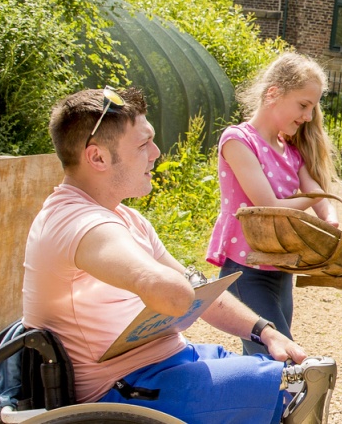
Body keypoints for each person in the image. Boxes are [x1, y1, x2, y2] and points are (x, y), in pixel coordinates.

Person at [21, 88, 309, 422]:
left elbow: (197, 293)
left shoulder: (126, 218)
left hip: (168, 366)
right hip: (124, 389)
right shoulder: (79, 222)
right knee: (294, 386)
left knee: (286, 370)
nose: (156, 153)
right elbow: (171, 293)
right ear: (97, 158)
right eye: (143, 144)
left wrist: (265, 331)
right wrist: (173, 287)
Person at [206, 52, 338, 357]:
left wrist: (329, 217)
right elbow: (268, 206)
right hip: (245, 269)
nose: (307, 116)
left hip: (280, 268)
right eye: (303, 105)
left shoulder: (290, 150)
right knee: (280, 360)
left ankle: (256, 404)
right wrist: (318, 200)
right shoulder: (238, 141)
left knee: (265, 363)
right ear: (273, 93)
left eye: (312, 108)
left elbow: (315, 188)